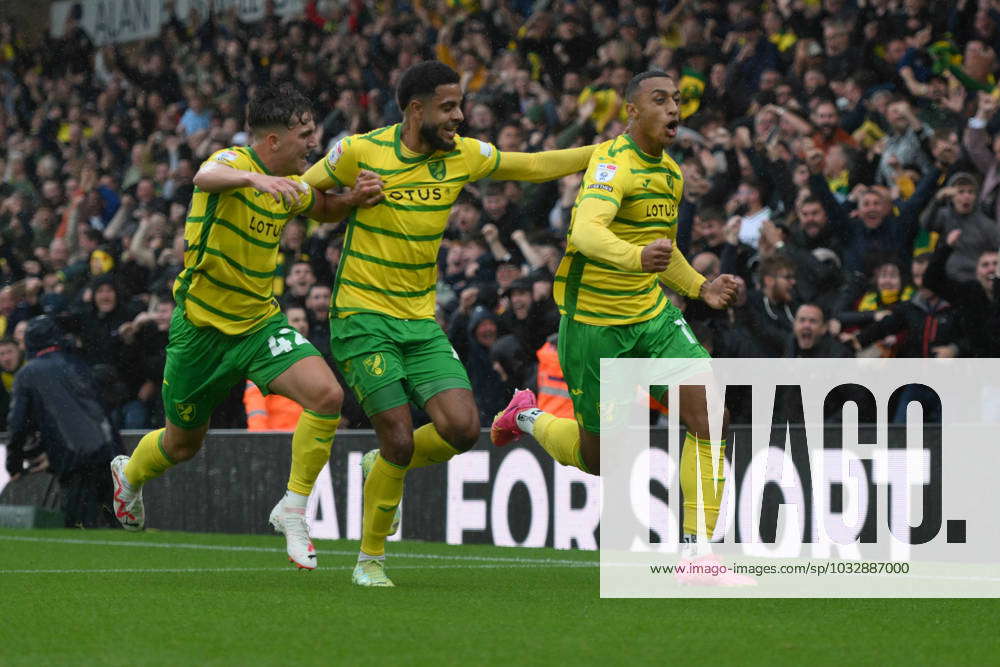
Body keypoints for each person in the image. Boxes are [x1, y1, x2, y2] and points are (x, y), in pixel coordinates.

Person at [301, 60, 596, 587]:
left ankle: (381, 467)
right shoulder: (360, 151)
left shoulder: (463, 155)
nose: (460, 116)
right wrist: (349, 200)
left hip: (419, 320)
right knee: (399, 438)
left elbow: (532, 165)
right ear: (417, 110)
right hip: (362, 318)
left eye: (460, 105)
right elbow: (304, 196)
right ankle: (370, 561)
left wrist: (605, 153)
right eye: (449, 107)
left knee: (462, 429)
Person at [109, 83, 384, 570]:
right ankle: (129, 475)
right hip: (201, 331)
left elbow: (321, 208)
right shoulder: (233, 162)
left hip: (259, 324)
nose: (312, 143)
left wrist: (353, 199)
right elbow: (204, 175)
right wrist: (255, 182)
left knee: (327, 396)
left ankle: (293, 508)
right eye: (304, 134)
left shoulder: (291, 183)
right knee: (182, 444)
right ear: (273, 140)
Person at [489, 71, 748, 586]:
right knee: (600, 458)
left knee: (710, 413)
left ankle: (698, 554)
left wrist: (700, 288)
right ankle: (527, 417)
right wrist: (635, 257)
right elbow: (586, 232)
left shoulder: (671, 174)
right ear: (632, 111)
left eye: (676, 100)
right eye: (660, 100)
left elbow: (663, 251)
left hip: (651, 317)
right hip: (595, 328)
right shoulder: (611, 164)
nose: (673, 108)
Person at [6, 315, 122, 528]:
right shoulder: (78, 364)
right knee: (115, 518)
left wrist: (14, 462)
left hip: (75, 457)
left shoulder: (28, 374)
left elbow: (18, 424)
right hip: (109, 452)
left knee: (78, 523)